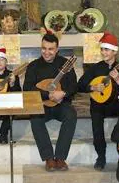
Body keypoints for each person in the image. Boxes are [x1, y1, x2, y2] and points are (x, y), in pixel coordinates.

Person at [24, 33, 78, 171]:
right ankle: (48, 158)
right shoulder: (33, 66)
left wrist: (63, 93)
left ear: (57, 49)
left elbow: (73, 85)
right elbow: (28, 88)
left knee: (71, 114)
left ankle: (60, 158)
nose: (46, 52)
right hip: (42, 105)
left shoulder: (65, 64)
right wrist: (47, 95)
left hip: (61, 104)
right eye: (44, 48)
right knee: (35, 117)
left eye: (51, 49)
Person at [77, 32, 119, 170]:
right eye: (102, 49)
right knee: (96, 122)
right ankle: (101, 155)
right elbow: (80, 84)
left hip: (117, 104)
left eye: (107, 49)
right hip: (99, 104)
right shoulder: (96, 68)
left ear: (114, 51)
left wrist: (118, 80)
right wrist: (92, 87)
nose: (104, 52)